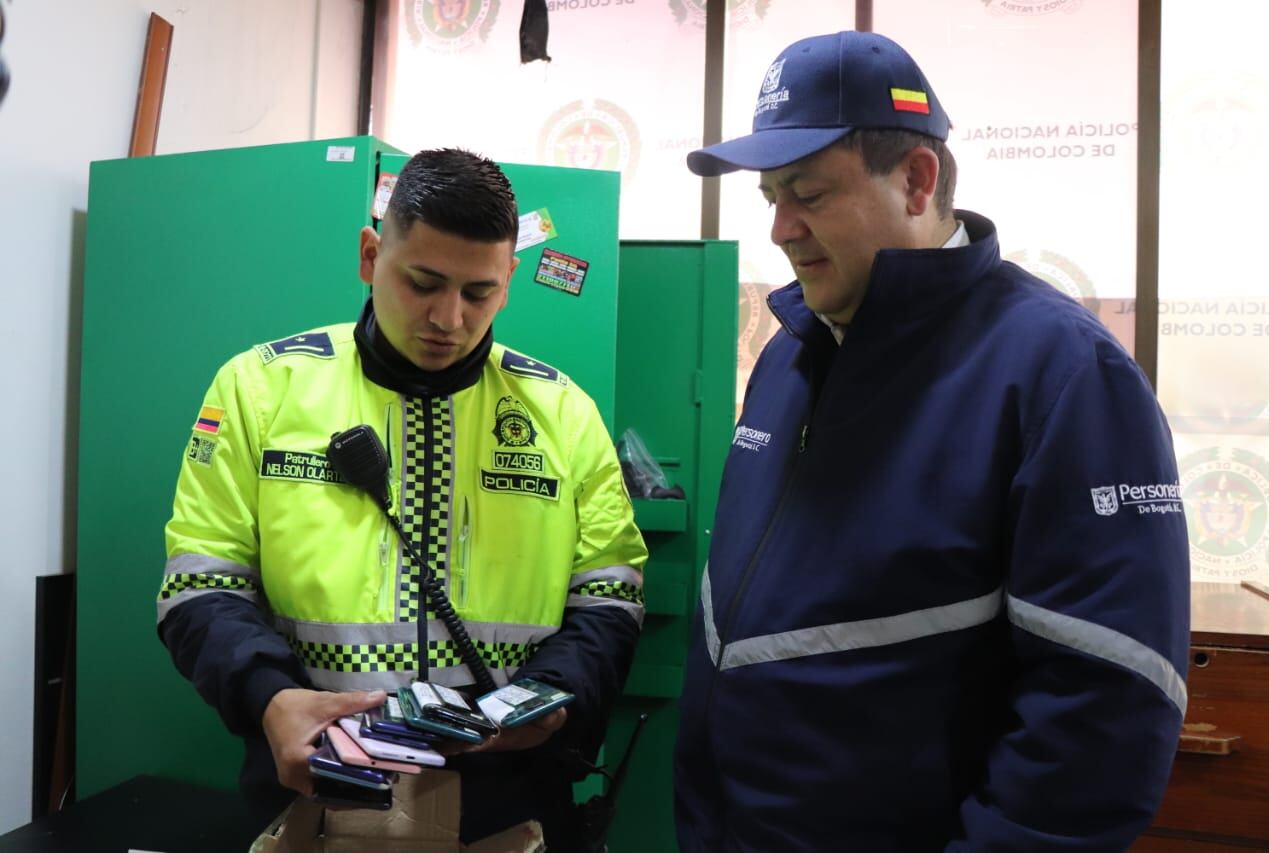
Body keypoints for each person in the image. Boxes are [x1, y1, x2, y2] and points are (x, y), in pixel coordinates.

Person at [676, 31, 1189, 851]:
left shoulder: (1061, 374)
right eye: (770, 194)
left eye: (807, 191)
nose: (780, 227)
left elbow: (1106, 703)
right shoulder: (788, 356)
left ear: (917, 181)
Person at [156, 148, 647, 851]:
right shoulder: (259, 388)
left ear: (509, 280)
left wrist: (555, 699)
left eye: (478, 292)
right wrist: (271, 697)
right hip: (318, 799)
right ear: (369, 256)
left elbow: (611, 594)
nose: (448, 318)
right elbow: (199, 584)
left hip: (509, 810)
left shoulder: (562, 411)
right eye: (423, 283)